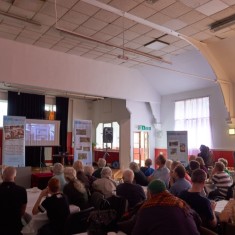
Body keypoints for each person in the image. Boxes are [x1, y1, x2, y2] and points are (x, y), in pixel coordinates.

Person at [132, 179, 200, 235]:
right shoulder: (181, 203)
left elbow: (137, 232)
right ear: (165, 191)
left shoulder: (147, 209)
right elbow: (198, 220)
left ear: (149, 193)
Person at [0, 166, 27, 235]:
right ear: (15, 178)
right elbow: (22, 212)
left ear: (2, 177)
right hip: (15, 227)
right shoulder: (22, 190)